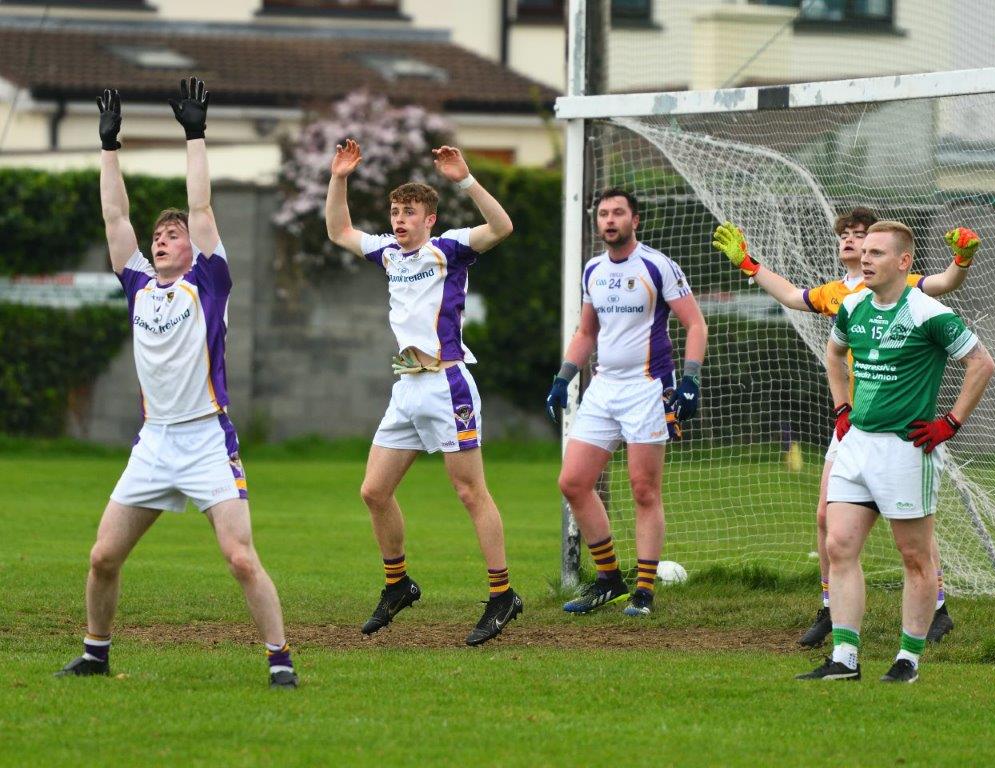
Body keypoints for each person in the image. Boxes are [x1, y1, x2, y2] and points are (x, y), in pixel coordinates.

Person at [55, 79, 297, 688]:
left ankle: (280, 659)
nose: (162, 240)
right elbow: (116, 214)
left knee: (240, 557)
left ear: (193, 248)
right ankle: (96, 654)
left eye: (172, 235)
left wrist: (195, 135)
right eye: (157, 237)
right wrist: (108, 148)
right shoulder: (138, 284)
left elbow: (203, 209)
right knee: (102, 556)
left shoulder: (209, 281)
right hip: (155, 441)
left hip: (207, 440)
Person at [712, 209, 979, 646]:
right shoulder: (839, 295)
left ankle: (935, 608)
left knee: (910, 527)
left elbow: (946, 283)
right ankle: (830, 611)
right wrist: (749, 264)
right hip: (853, 423)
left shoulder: (904, 288)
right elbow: (791, 296)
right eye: (849, 237)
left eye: (865, 238)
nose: (854, 243)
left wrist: (962, 261)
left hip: (900, 426)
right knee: (826, 518)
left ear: (893, 255)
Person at [325, 139, 521, 646]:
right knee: (374, 491)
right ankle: (398, 584)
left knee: (468, 490)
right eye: (395, 211)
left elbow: (502, 228)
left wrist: (466, 179)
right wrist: (340, 177)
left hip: (447, 384)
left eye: (409, 212)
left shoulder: (450, 247)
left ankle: (503, 595)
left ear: (429, 218)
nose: (399, 219)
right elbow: (339, 231)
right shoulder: (388, 254)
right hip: (407, 387)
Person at [794, 220, 994, 682]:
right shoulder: (854, 306)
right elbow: (833, 354)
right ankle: (844, 659)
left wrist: (950, 423)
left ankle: (909, 659)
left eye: (877, 253)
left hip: (906, 450)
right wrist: (842, 406)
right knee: (838, 545)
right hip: (856, 445)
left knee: (914, 557)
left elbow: (981, 363)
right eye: (864, 252)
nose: (865, 259)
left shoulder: (929, 313)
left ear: (904, 262)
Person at [547, 188, 708, 617]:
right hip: (603, 387)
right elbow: (586, 333)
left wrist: (689, 380)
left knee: (643, 489)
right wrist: (563, 378)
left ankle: (644, 591)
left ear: (635, 220)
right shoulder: (593, 270)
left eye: (618, 213)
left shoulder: (657, 265)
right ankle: (608, 580)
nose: (610, 220)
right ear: (596, 222)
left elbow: (695, 324)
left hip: (648, 388)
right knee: (573, 482)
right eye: (603, 214)